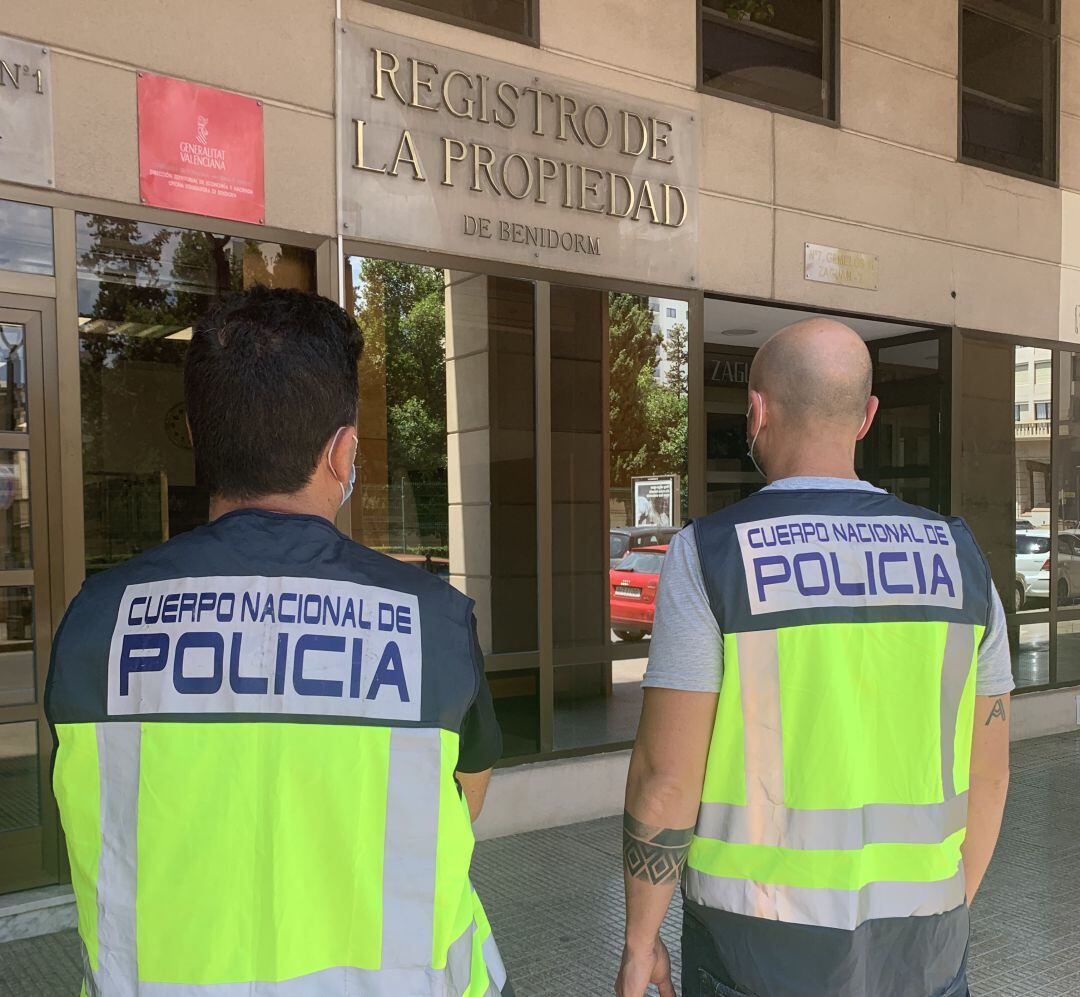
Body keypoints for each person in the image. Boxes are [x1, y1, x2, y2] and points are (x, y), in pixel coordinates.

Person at [46, 287, 511, 996]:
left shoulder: (97, 623)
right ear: (344, 451)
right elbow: (462, 802)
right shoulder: (434, 625)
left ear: (199, 440)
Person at [617, 318, 1012, 997]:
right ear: (867, 417)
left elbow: (665, 781)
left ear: (758, 411)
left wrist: (639, 939)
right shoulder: (962, 560)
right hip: (923, 955)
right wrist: (946, 915)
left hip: (756, 953)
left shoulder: (711, 556)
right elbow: (992, 776)